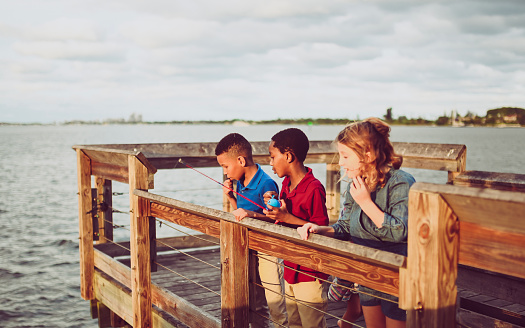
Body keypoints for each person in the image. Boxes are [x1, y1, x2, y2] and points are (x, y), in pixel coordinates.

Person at [297, 118, 415, 328]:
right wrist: (319, 229)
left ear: (367, 155)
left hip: (397, 276)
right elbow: (344, 227)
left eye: (345, 155)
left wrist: (365, 202)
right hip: (366, 271)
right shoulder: (356, 184)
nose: (340, 162)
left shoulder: (401, 182)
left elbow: (400, 232)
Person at [215, 133, 288, 327]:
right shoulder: (240, 183)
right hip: (246, 246)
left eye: (225, 166)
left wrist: (251, 214)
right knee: (253, 296)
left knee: (273, 298)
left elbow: (274, 219)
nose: (225, 172)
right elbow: (241, 211)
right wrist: (231, 197)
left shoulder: (267, 184)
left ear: (240, 160)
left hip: (267, 249)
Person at [262, 128, 329, 328]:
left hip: (310, 270)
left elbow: (322, 229)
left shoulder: (314, 188)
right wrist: (275, 209)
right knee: (294, 322)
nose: (271, 163)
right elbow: (285, 220)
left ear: (289, 156)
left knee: (311, 324)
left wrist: (287, 217)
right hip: (291, 267)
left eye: (273, 157)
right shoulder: (285, 184)